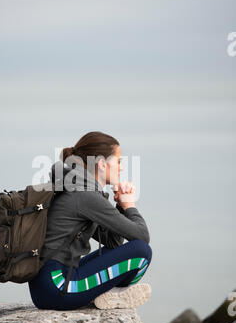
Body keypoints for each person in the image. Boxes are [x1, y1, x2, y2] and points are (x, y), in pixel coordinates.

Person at [29, 131, 152, 311]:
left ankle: (112, 295)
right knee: (141, 252)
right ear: (102, 164)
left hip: (46, 287)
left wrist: (119, 206)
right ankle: (115, 295)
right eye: (118, 162)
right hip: (58, 287)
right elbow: (142, 236)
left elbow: (113, 242)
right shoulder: (84, 195)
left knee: (130, 250)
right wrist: (130, 206)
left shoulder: (74, 186)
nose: (121, 168)